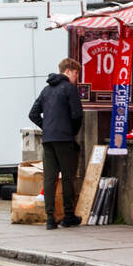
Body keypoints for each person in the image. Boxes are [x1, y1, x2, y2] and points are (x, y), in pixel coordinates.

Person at [28, 58, 85, 230]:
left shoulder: (46, 90)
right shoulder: (69, 88)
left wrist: (46, 127)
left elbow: (33, 113)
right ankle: (68, 215)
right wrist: (71, 131)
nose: (77, 78)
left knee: (50, 178)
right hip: (64, 139)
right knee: (68, 177)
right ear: (68, 71)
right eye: (76, 74)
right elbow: (77, 115)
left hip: (48, 139)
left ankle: (50, 218)